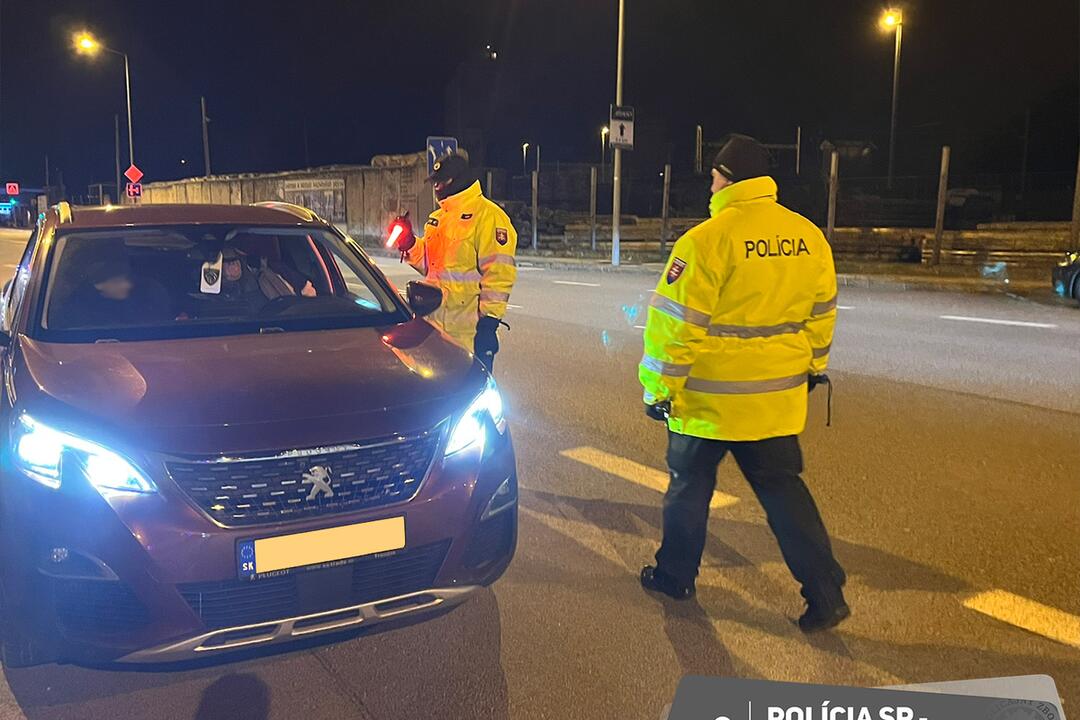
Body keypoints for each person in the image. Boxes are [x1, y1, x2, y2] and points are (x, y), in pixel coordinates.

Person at [637, 134, 848, 633]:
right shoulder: (806, 236)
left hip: (708, 404)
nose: (711, 185)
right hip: (774, 403)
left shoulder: (706, 240)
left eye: (714, 176)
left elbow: (675, 326)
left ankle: (676, 576)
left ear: (727, 178)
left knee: (688, 490)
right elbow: (822, 312)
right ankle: (825, 593)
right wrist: (813, 368)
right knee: (784, 496)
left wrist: (657, 389)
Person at [390, 151, 518, 371]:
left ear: (458, 179)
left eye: (441, 182)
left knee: (467, 399)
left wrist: (488, 324)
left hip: (468, 333)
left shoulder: (488, 216)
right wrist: (409, 243)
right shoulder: (438, 218)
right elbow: (431, 266)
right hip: (432, 329)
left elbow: (499, 275)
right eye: (435, 182)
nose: (437, 187)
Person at [60, 251, 170, 329]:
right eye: (117, 280)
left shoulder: (151, 291)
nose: (128, 285)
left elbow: (162, 324)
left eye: (127, 277)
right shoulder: (78, 304)